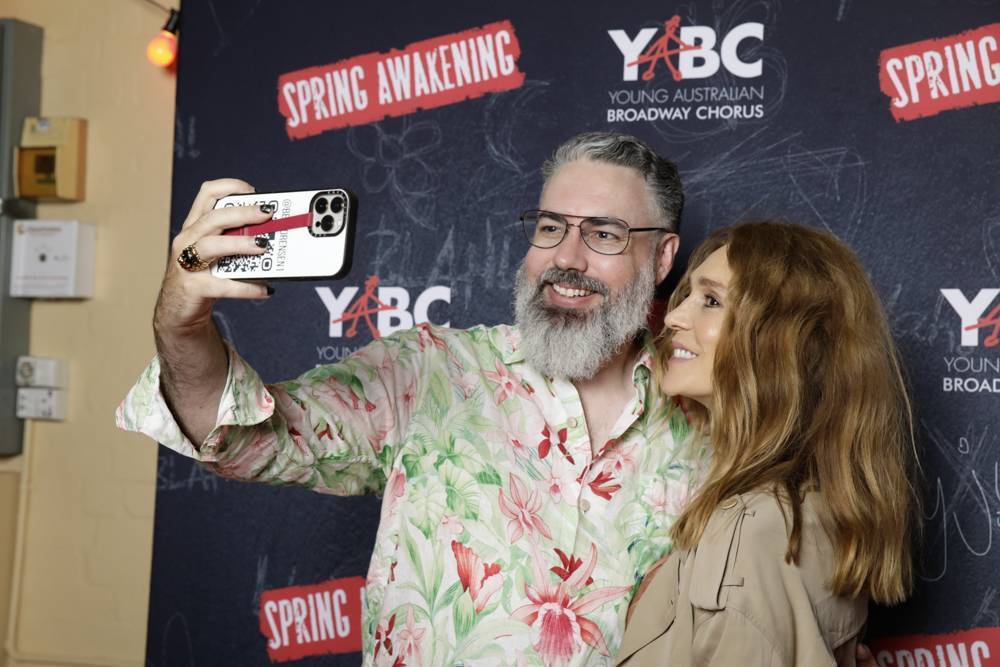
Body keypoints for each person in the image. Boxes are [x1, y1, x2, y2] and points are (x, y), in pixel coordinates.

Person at [118, 132, 698, 666]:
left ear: (664, 257)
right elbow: (243, 437)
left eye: (604, 234)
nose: (567, 258)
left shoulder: (712, 421)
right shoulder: (431, 370)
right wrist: (181, 329)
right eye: (551, 228)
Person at [615, 221, 920, 666]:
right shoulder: (800, 511)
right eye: (690, 296)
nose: (675, 316)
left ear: (778, 346)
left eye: (712, 301)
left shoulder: (754, 532)